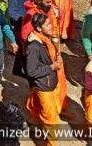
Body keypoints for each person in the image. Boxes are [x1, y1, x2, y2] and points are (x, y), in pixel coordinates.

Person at [25, 13, 65, 146]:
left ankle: (35, 126)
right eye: (47, 25)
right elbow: (31, 71)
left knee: (42, 112)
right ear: (38, 28)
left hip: (49, 83)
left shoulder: (45, 39)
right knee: (52, 121)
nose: (51, 26)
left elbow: (48, 57)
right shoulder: (34, 47)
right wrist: (51, 67)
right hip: (44, 87)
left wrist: (56, 59)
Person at [7, 0, 36, 76]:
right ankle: (26, 70)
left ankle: (17, 69)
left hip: (26, 22)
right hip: (19, 24)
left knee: (23, 47)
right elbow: (12, 11)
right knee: (23, 47)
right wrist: (23, 18)